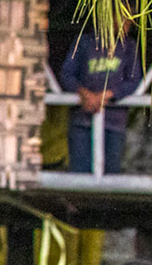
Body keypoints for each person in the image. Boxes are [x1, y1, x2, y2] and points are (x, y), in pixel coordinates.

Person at [59, 20, 144, 175]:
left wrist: (107, 95)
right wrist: (83, 93)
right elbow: (66, 74)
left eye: (129, 20)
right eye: (122, 18)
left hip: (114, 123)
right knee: (80, 175)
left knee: (111, 176)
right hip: (82, 121)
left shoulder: (130, 47)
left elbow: (134, 81)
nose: (126, 24)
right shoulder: (84, 42)